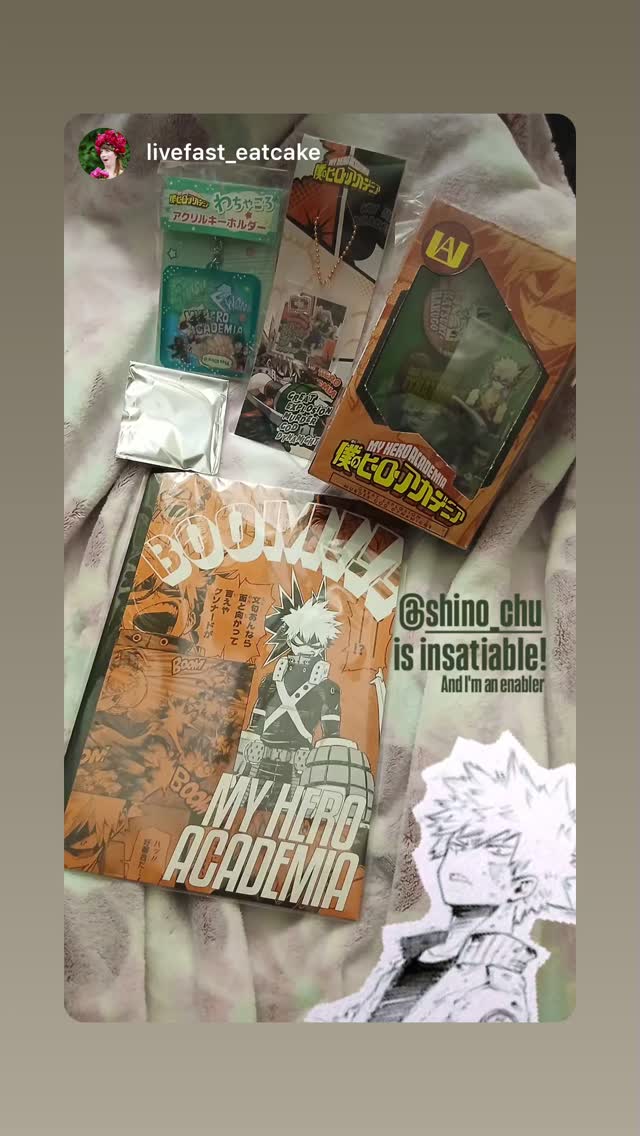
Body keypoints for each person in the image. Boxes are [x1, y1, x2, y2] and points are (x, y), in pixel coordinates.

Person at [307, 733, 576, 1023]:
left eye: (490, 851)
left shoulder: (495, 991)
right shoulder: (411, 955)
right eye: (458, 843)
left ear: (522, 885)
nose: (460, 858)